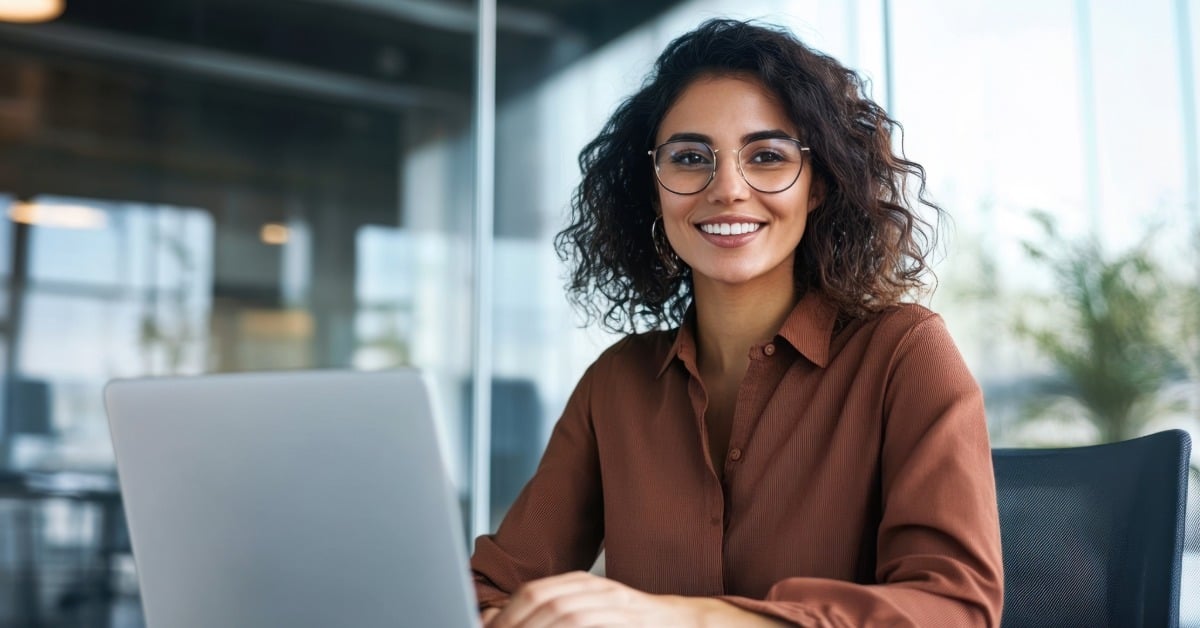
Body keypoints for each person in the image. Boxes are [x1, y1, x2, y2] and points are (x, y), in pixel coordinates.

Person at [471, 18, 1003, 627]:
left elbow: (954, 610)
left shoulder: (903, 353)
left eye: (768, 156)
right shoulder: (618, 383)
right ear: (654, 189)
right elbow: (489, 589)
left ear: (819, 185)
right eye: (691, 158)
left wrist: (689, 620)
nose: (727, 189)